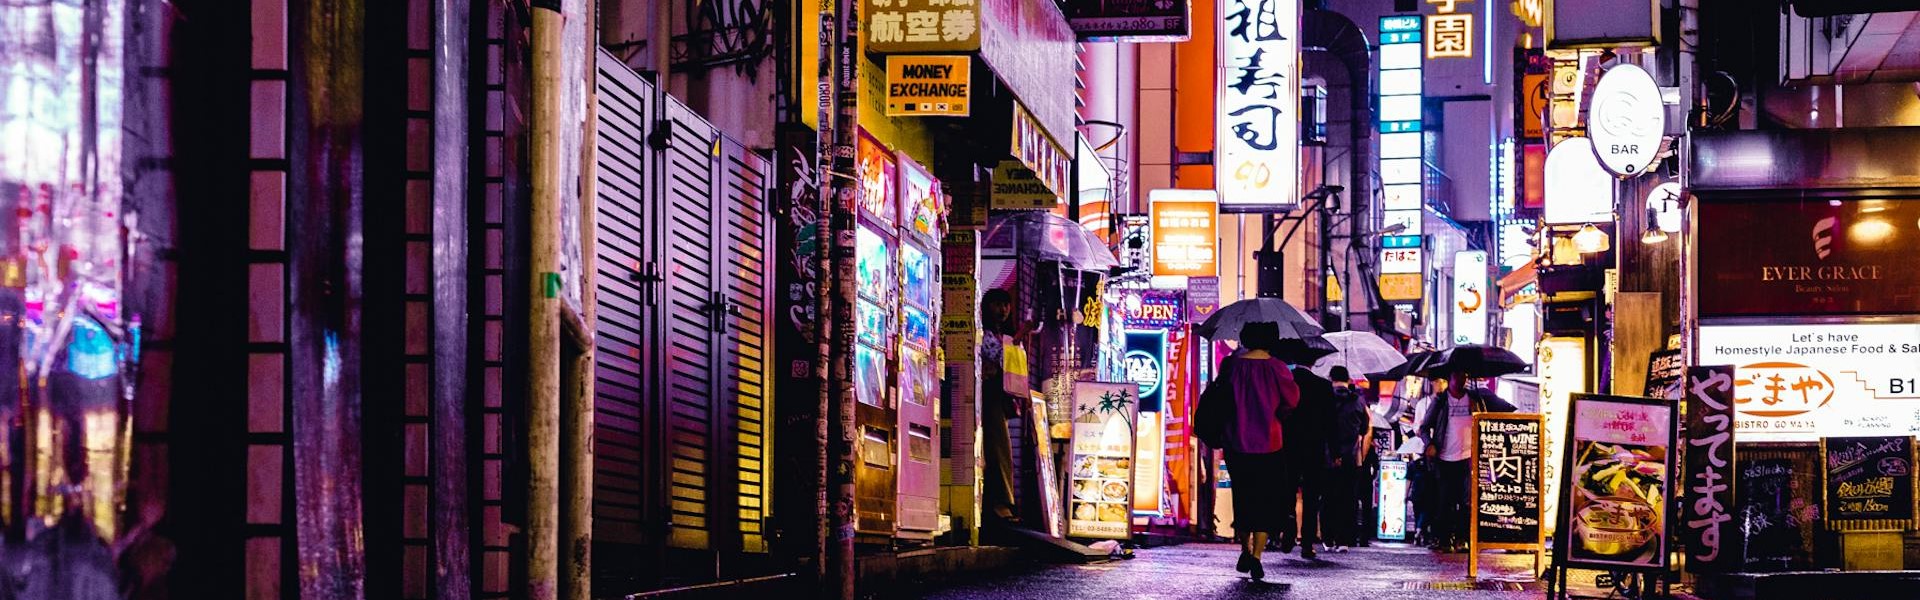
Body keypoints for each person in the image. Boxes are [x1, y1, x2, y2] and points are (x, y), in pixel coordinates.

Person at [1195, 322, 1301, 581]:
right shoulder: (1277, 368)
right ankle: (1257, 556)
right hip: (1269, 443)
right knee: (1265, 500)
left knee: (1243, 496)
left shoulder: (1232, 365)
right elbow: (1291, 401)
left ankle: (1244, 547)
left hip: (1236, 442)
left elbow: (1219, 397)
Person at [1416, 371, 1517, 552]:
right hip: (1444, 458)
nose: (1461, 380)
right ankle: (1444, 539)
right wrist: (1429, 444)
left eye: (1464, 376)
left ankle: (1463, 539)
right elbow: (1424, 428)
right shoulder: (1440, 401)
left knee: (1466, 502)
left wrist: (1478, 411)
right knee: (1445, 500)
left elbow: (1495, 416)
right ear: (1450, 378)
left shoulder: (1475, 397)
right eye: (1457, 376)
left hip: (1468, 458)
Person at [979, 288, 1028, 525]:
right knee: (998, 451)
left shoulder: (1002, 335)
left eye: (1006, 305)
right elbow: (1001, 358)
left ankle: (1002, 504)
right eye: (998, 305)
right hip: (988, 398)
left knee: (1001, 451)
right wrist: (1019, 337)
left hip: (999, 399)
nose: (1003, 310)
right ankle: (999, 505)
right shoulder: (985, 334)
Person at [1279, 365, 1334, 558]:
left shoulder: (1285, 382)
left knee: (1287, 491)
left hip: (1287, 446)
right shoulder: (1323, 386)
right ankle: (1307, 543)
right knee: (1311, 497)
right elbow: (1331, 423)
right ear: (1313, 364)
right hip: (1314, 448)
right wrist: (1334, 452)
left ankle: (1288, 530)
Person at [1322, 366, 1370, 552]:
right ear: (1348, 379)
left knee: (1327, 498)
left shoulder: (1325, 400)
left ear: (1331, 378)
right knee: (1348, 499)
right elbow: (1365, 428)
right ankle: (1344, 540)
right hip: (1351, 458)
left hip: (1326, 458)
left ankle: (1328, 538)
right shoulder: (1358, 401)